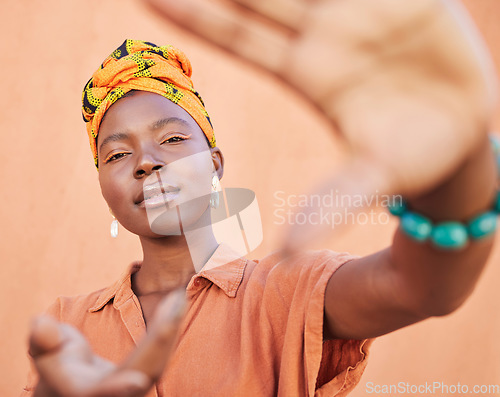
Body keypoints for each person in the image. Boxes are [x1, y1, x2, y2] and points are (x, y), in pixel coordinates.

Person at [21, 0, 500, 396]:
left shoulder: (286, 294)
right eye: (118, 153)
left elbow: (421, 286)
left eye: (170, 140)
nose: (146, 162)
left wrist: (458, 169)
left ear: (215, 164)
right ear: (103, 186)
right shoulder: (69, 323)